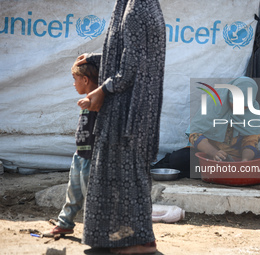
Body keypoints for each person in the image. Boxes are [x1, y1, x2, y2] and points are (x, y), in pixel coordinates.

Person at [75, 0, 166, 254]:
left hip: (129, 109)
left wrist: (101, 90)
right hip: (130, 106)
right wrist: (96, 59)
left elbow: (129, 69)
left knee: (127, 175)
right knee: (119, 173)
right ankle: (119, 240)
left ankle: (138, 243)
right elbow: (130, 53)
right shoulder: (137, 6)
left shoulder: (137, 9)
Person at [188, 76, 260, 184]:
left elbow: (250, 141)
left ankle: (226, 173)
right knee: (180, 159)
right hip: (210, 152)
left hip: (236, 156)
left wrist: (245, 161)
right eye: (235, 104)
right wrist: (214, 152)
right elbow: (195, 134)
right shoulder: (214, 101)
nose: (238, 109)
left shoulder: (253, 108)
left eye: (244, 106)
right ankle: (247, 175)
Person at [49, 61, 99, 235]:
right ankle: (65, 223)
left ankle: (95, 230)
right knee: (73, 192)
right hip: (80, 154)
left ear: (85, 79)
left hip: (92, 156)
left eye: (74, 78)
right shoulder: (87, 99)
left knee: (90, 195)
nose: (73, 83)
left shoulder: (97, 99)